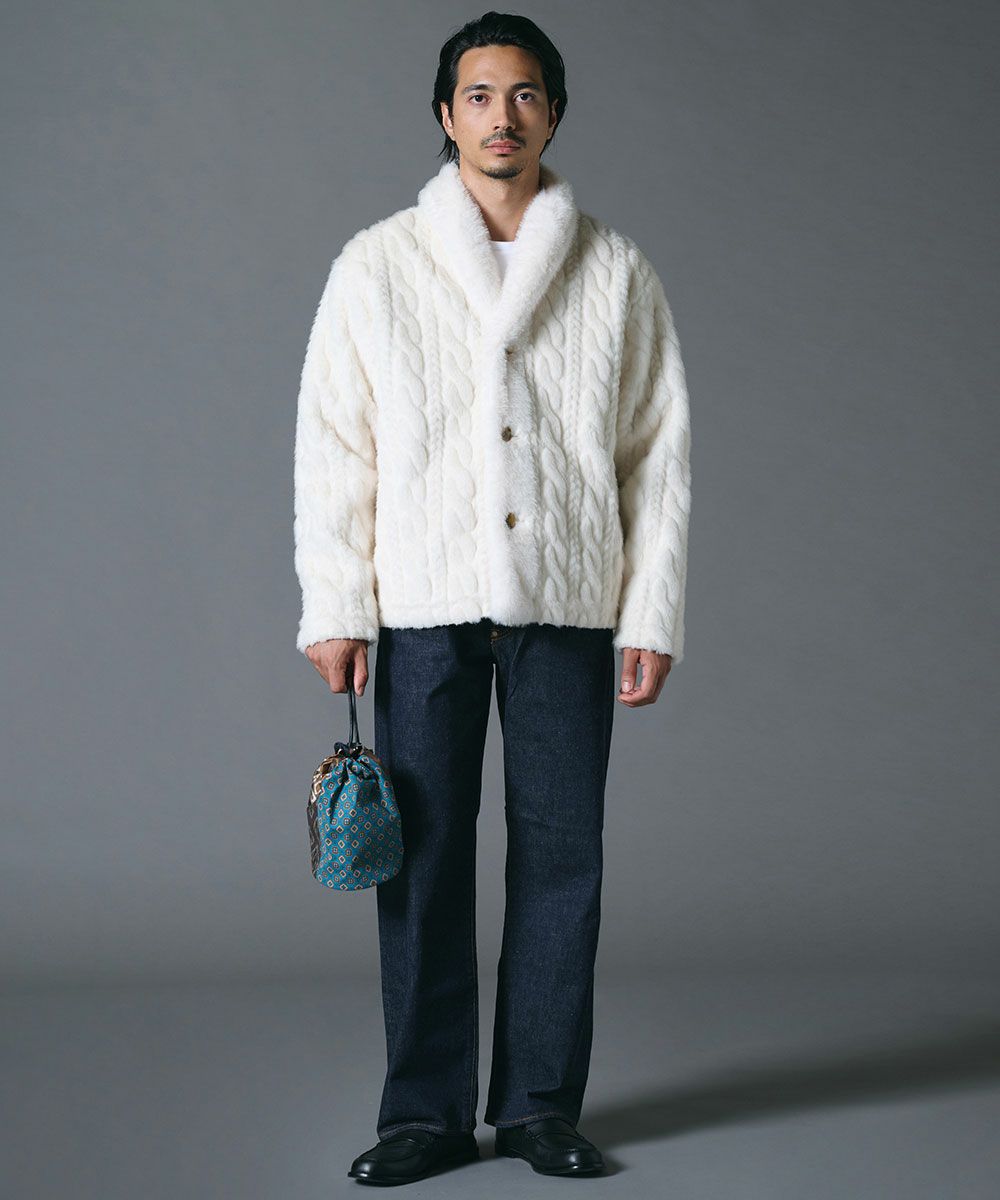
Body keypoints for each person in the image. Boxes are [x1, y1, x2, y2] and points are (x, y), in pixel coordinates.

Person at [293, 11, 692, 1186]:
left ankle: (536, 1110)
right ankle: (421, 1114)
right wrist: (337, 604)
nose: (500, 116)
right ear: (445, 114)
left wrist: (651, 614)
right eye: (478, 95)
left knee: (563, 856)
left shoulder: (615, 269)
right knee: (421, 858)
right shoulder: (377, 263)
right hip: (423, 600)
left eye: (523, 94)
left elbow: (657, 457)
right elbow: (335, 445)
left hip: (567, 602)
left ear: (553, 113)